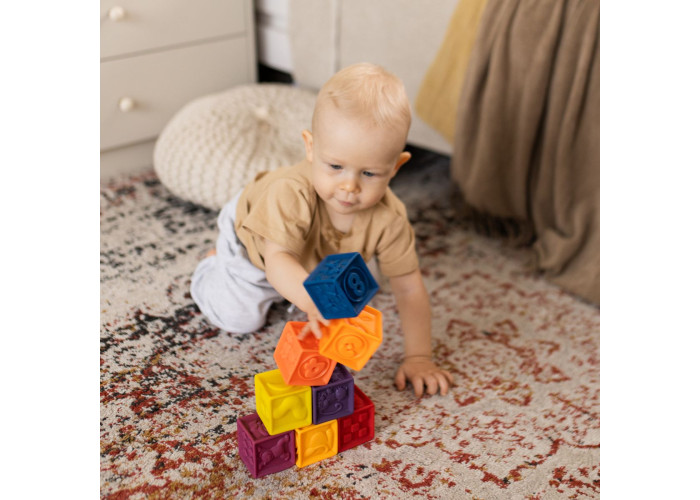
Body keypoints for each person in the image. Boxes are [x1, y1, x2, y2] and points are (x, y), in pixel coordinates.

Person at [191, 63, 454, 397]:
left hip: (316, 251)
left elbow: (409, 288)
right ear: (311, 148)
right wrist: (312, 301)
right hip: (259, 243)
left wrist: (419, 358)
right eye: (335, 166)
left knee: (362, 289)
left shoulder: (390, 218)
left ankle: (311, 275)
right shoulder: (290, 193)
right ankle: (212, 264)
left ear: (395, 167)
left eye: (369, 174)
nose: (349, 187)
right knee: (239, 318)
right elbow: (277, 261)